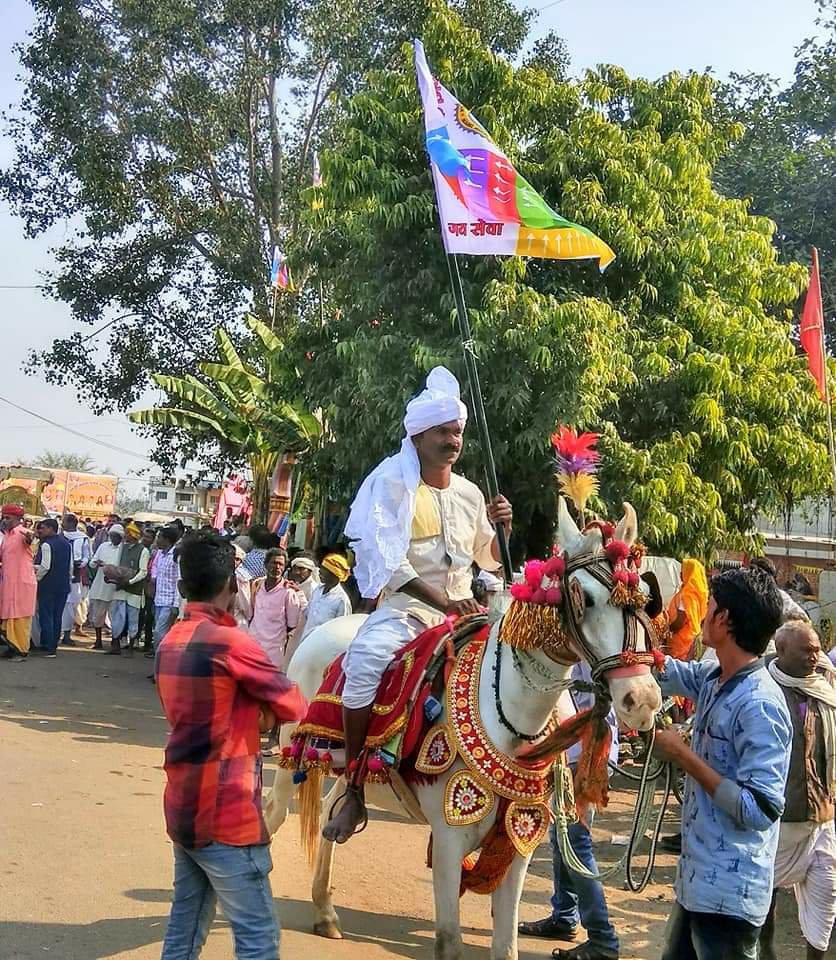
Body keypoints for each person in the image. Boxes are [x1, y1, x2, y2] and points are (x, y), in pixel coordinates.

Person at [323, 366, 511, 843]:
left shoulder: (470, 493)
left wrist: (503, 531)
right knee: (364, 662)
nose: (454, 440)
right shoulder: (389, 482)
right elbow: (387, 563)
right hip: (406, 611)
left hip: (466, 611)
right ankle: (354, 789)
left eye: (458, 432)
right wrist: (444, 602)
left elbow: (488, 558)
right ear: (420, 434)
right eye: (444, 432)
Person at [155, 531, 306, 960]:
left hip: (184, 804)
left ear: (183, 588)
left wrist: (250, 709)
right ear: (234, 586)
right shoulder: (233, 643)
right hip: (227, 812)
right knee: (257, 938)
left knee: (184, 929)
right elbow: (293, 702)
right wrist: (261, 713)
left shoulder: (171, 641)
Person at [653, 566, 791, 960]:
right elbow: (668, 672)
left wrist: (683, 755)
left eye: (709, 604)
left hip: (731, 896)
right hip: (696, 887)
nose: (701, 613)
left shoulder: (760, 704)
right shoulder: (716, 677)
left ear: (724, 619)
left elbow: (759, 808)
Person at [519, 663, 620, 960]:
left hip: (583, 750)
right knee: (562, 836)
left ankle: (603, 938)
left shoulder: (590, 633)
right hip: (572, 748)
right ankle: (564, 915)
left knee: (574, 841)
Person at [760, 621, 836, 960]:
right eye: (806, 650)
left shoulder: (827, 690)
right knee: (767, 894)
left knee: (826, 896)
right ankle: (767, 949)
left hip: (822, 815)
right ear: (781, 650)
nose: (815, 655)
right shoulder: (764, 690)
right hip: (781, 817)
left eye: (817, 648)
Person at [248, 548, 307, 669]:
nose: (277, 567)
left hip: (273, 653)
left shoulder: (288, 592)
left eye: (281, 564)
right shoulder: (257, 586)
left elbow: (292, 623)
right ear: (266, 564)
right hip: (252, 646)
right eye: (274, 563)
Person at [0, 503, 37, 661]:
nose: (5, 520)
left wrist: (30, 538)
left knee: (20, 618)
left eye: (8, 518)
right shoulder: (6, 536)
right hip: (8, 583)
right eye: (4, 517)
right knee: (8, 617)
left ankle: (21, 651)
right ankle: (11, 647)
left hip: (22, 584)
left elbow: (31, 540)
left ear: (17, 519)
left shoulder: (23, 533)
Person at [107, 521, 150, 654]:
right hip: (120, 587)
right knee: (116, 616)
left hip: (134, 589)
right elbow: (116, 564)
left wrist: (129, 582)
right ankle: (115, 644)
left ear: (133, 535)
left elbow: (143, 572)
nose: (125, 535)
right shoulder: (122, 547)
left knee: (133, 618)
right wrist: (112, 577)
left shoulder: (143, 551)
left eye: (127, 533)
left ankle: (131, 646)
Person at [34, 518, 72, 658]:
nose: (40, 531)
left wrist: (36, 579)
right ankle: (53, 645)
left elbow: (45, 566)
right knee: (57, 616)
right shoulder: (66, 543)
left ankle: (48, 646)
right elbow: (70, 566)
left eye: (42, 528)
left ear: (51, 528)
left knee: (46, 616)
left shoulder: (47, 544)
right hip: (62, 585)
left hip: (48, 585)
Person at [295, 553, 352, 646]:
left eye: (324, 569)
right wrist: (298, 593)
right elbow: (307, 613)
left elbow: (342, 631)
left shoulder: (341, 600)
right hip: (305, 643)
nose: (319, 572)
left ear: (334, 573)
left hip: (323, 648)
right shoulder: (318, 590)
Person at [88, 523, 125, 650]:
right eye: (112, 536)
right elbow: (92, 562)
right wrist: (97, 563)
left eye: (116, 536)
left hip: (115, 587)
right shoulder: (103, 546)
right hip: (100, 585)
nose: (113, 538)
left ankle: (115, 642)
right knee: (98, 615)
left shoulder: (123, 549)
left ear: (121, 537)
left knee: (115, 616)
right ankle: (98, 641)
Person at [665, 558, 708, 661]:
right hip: (688, 639)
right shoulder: (695, 594)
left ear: (690, 573)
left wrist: (665, 629)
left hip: (680, 641)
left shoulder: (687, 596)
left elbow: (680, 622)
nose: (680, 573)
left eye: (683, 570)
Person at [60, 514, 91, 647]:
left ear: (72, 523)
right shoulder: (60, 537)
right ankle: (58, 633)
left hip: (75, 575)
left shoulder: (83, 538)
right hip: (60, 573)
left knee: (72, 605)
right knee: (60, 605)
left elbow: (87, 556)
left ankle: (67, 634)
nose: (62, 524)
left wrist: (82, 563)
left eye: (64, 522)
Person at [149, 526, 180, 656]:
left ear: (167, 540)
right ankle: (160, 665)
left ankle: (162, 663)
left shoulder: (176, 556)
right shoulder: (160, 554)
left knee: (159, 633)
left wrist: (176, 605)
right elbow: (154, 568)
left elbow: (179, 580)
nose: (157, 540)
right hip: (158, 599)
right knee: (160, 634)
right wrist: (153, 578)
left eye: (159, 537)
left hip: (169, 601)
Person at [139, 525, 157, 652]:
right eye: (144, 536)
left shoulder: (155, 552)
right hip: (139, 585)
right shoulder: (139, 549)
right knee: (139, 613)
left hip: (151, 587)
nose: (145, 539)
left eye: (148, 537)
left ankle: (147, 641)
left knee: (149, 615)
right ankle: (135, 638)